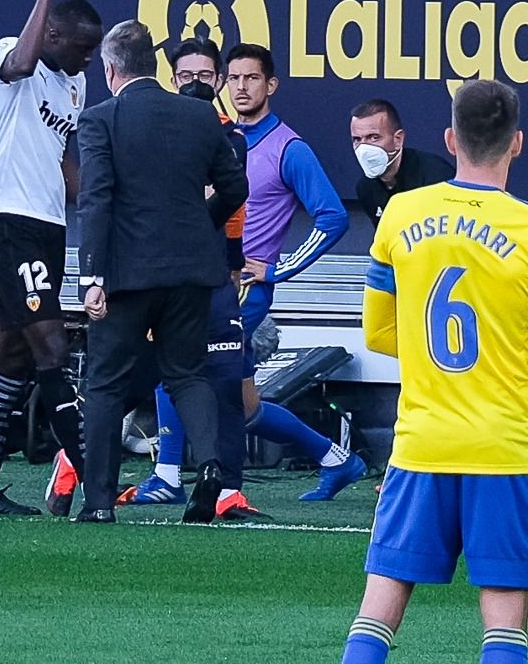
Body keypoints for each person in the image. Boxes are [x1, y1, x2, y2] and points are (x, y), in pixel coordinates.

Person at [340, 79, 528, 664]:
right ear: (516, 144)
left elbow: (379, 334)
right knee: (503, 622)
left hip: (420, 444)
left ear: (450, 139)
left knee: (377, 613)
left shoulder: (400, 211)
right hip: (505, 447)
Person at [75, 20, 247, 524]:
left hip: (128, 274)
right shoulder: (199, 117)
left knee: (106, 384)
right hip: (194, 270)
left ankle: (98, 501)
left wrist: (92, 276)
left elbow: (96, 199)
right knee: (188, 375)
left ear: (110, 71)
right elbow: (235, 189)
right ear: (156, 68)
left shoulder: (101, 119)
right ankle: (212, 468)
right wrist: (199, 226)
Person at [0, 0, 102, 516]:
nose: (89, 60)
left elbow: (61, 154)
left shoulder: (75, 84)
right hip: (6, 218)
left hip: (48, 223)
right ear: (53, 36)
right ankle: (92, 482)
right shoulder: (12, 57)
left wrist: (95, 204)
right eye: (81, 49)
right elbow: (21, 63)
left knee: (17, 354)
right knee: (51, 342)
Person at [117, 37, 264, 521]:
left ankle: (225, 490)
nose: (196, 84)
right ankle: (90, 466)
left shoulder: (232, 138)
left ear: (218, 80)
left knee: (224, 380)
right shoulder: (150, 130)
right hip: (151, 272)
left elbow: (233, 207)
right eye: (186, 77)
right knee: (131, 375)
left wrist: (233, 258)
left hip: (211, 274)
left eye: (205, 76)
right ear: (171, 80)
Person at [226, 43, 365, 501]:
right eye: (234, 78)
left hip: (246, 292)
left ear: (271, 85)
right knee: (246, 409)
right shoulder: (221, 138)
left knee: (180, 364)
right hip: (212, 280)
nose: (241, 87)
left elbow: (332, 218)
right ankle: (336, 458)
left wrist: (276, 269)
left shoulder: (289, 147)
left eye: (251, 78)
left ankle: (169, 476)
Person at [351, 98, 453, 228]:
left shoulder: (436, 179)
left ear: (398, 139)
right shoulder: (366, 188)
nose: (364, 148)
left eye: (374, 137)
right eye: (357, 139)